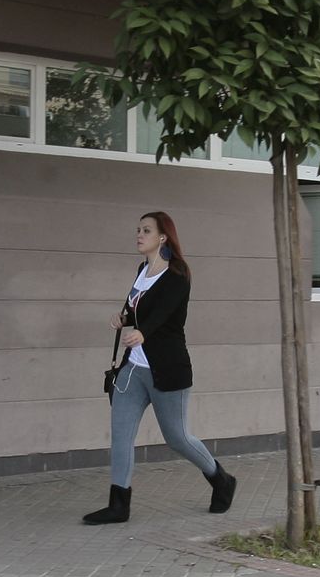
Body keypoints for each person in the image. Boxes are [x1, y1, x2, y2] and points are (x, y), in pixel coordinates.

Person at [83, 211, 238, 525]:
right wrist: (123, 319)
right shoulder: (143, 269)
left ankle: (221, 479)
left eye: (146, 230)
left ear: (163, 237)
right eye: (138, 230)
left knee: (177, 437)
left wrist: (143, 331)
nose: (139, 235)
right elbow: (136, 311)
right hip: (133, 370)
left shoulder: (178, 274)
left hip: (167, 370)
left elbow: (164, 314)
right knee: (121, 436)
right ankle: (118, 505)